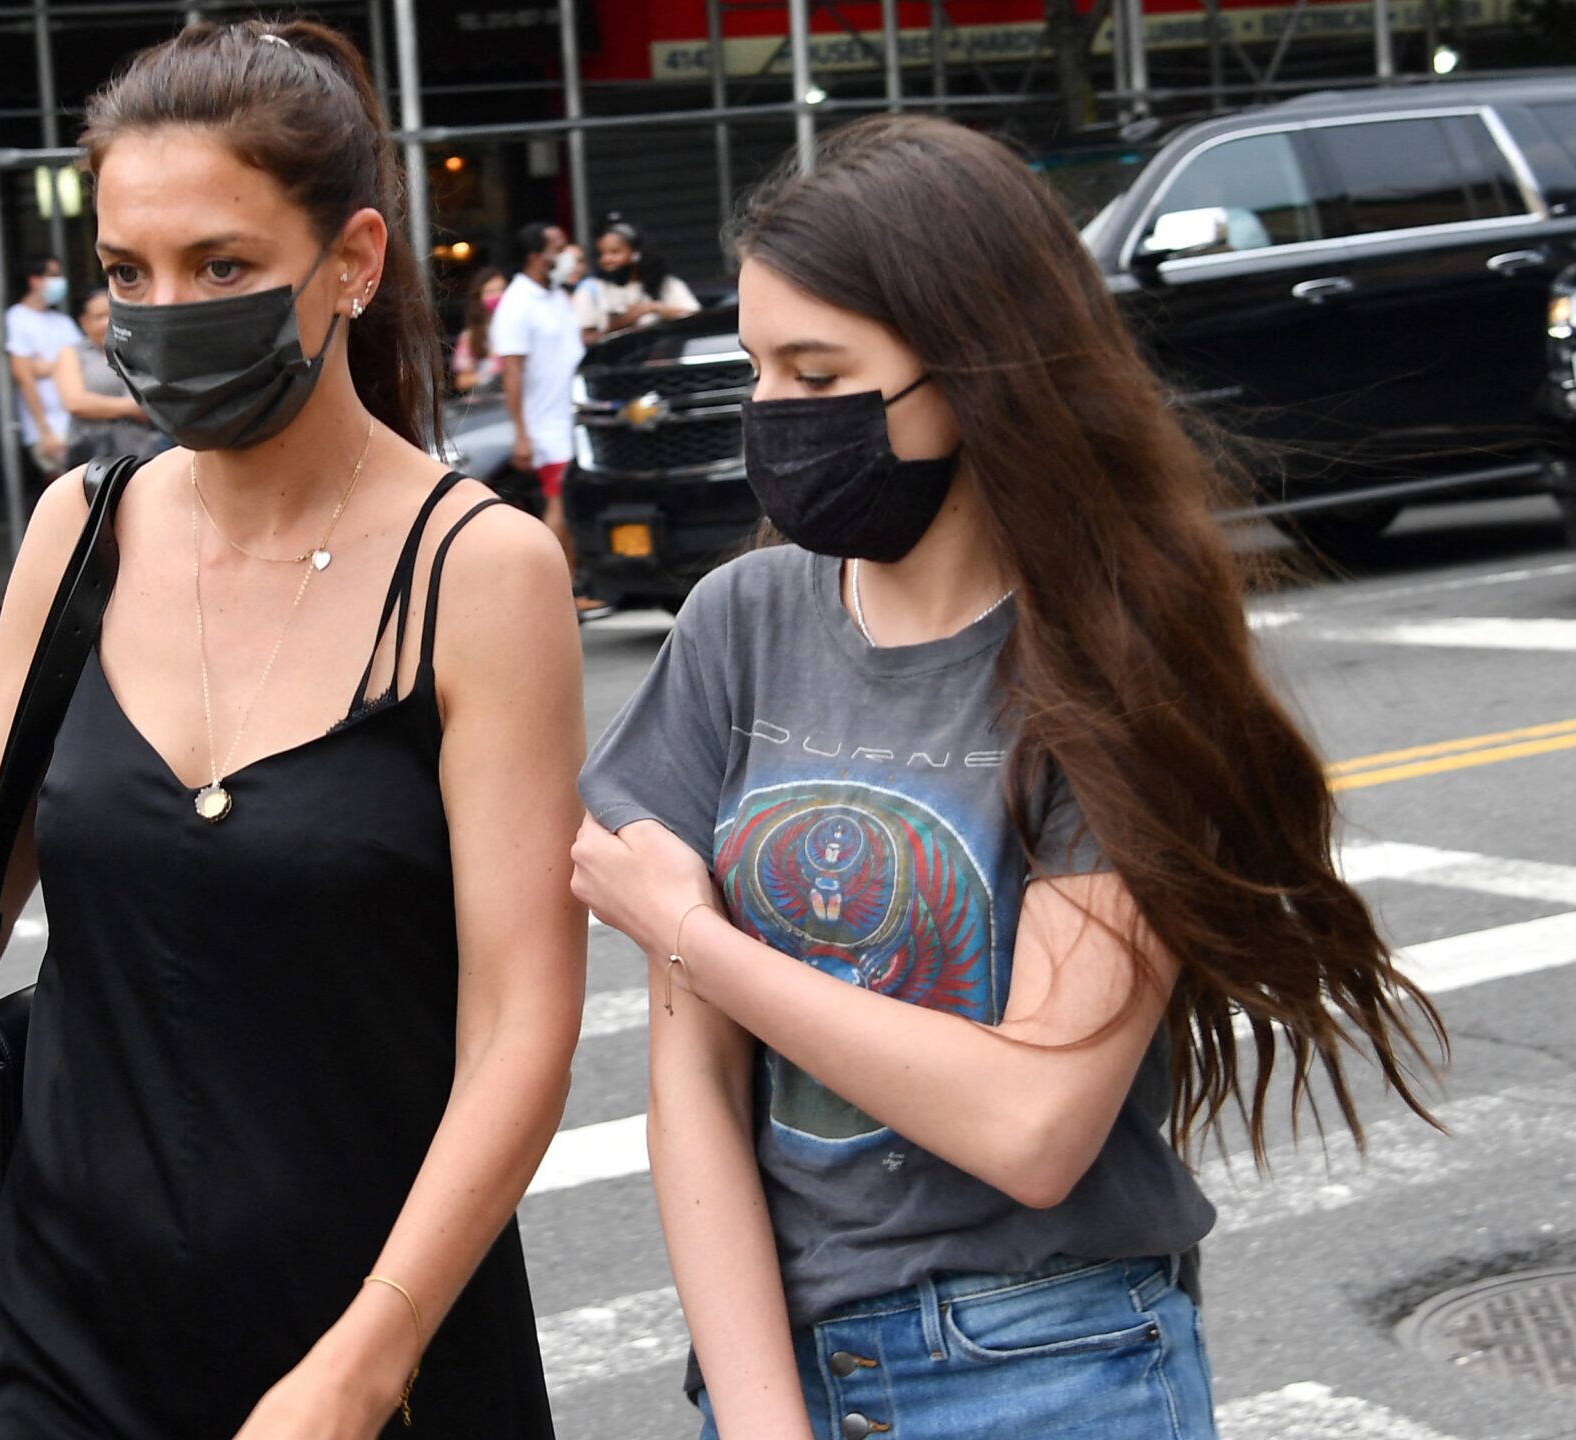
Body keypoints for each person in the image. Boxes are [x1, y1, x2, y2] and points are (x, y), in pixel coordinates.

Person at [571, 115, 1446, 1440]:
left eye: (820, 372)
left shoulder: (1114, 659)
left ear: (982, 375)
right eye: (758, 368)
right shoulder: (736, 624)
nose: (774, 415)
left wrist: (691, 932)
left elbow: (1034, 1123)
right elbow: (693, 1090)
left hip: (1052, 1365)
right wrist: (759, 1422)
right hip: (777, 1376)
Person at [0, 20, 586, 1440]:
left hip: (374, 1356)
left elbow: (522, 1019)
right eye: (125, 272)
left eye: (221, 267)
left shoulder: (481, 572)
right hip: (61, 1335)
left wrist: (368, 1362)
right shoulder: (82, 532)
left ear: (352, 261)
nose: (163, 311)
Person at [489, 220, 598, 618]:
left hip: (573, 419)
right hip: (547, 426)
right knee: (560, 503)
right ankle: (556, 593)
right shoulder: (517, 304)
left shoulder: (554, 296)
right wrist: (522, 434)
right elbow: (511, 372)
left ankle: (570, 587)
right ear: (536, 257)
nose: (566, 253)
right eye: (558, 246)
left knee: (569, 503)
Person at [49, 285, 162, 468]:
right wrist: (131, 408)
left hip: (143, 455)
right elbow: (75, 402)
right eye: (98, 317)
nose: (106, 323)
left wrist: (99, 406)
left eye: (111, 314)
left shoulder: (138, 351)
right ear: (84, 322)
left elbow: (156, 403)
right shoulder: (72, 354)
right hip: (91, 459)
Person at [2, 252, 80, 478]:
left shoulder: (62, 321)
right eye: (53, 275)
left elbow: (83, 362)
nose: (59, 281)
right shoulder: (17, 318)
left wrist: (48, 367)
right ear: (34, 280)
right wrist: (44, 432)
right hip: (50, 428)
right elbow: (24, 376)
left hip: (78, 422)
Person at [572, 218, 701, 346]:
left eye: (614, 252)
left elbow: (695, 317)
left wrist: (654, 308)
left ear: (636, 254)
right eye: (602, 254)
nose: (606, 259)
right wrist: (627, 319)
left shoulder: (665, 283)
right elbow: (585, 338)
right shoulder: (591, 289)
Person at [450, 269, 506, 394]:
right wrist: (491, 376)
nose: (498, 295)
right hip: (489, 404)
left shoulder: (521, 328)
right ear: (479, 297)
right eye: (490, 291)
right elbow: (462, 381)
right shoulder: (470, 337)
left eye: (502, 290)